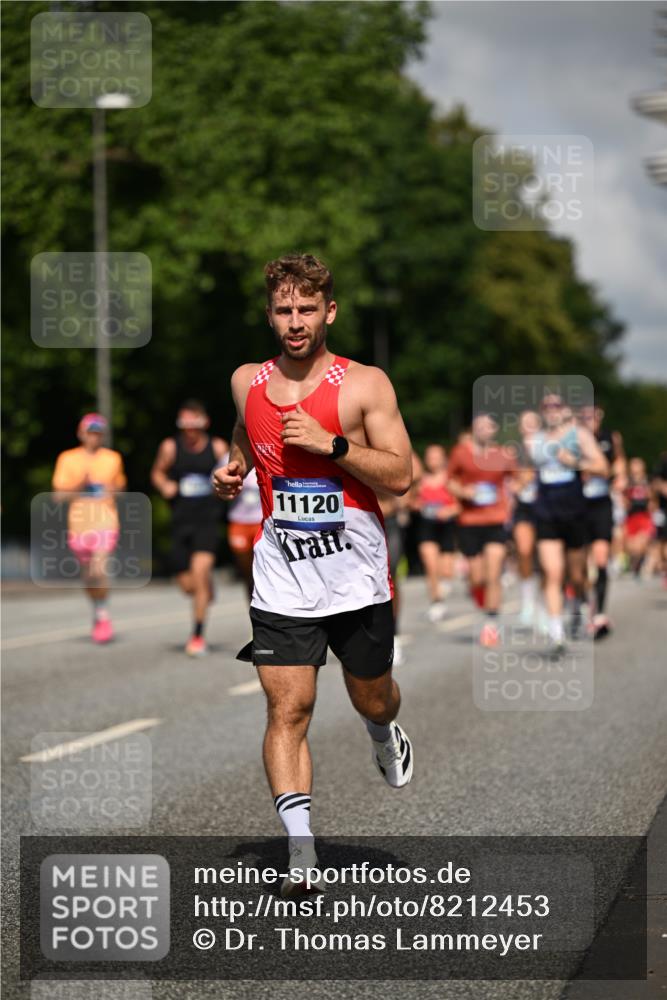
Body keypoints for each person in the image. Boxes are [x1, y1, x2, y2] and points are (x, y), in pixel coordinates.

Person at [213, 253, 413, 898]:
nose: (295, 322)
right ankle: (302, 850)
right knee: (289, 706)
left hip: (356, 573)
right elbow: (248, 438)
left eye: (306, 309)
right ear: (269, 315)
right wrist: (232, 467)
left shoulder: (365, 385)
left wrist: (333, 446)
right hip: (282, 572)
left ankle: (383, 731)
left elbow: (402, 476)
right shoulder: (247, 381)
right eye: (283, 310)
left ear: (330, 311)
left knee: (371, 693)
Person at [526, 395, 607, 655]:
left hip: (574, 509)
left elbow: (603, 467)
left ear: (565, 411)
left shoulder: (579, 435)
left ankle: (580, 602)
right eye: (546, 406)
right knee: (552, 572)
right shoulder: (533, 439)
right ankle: (556, 632)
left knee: (576, 574)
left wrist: (573, 462)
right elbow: (523, 472)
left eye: (556, 406)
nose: (551, 410)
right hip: (546, 511)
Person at [151, 401, 228, 657]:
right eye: (184, 426)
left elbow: (231, 476)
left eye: (194, 425)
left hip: (207, 521)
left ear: (204, 423)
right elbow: (158, 473)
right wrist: (164, 486)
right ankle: (205, 590)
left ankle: (197, 636)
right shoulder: (170, 447)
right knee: (188, 585)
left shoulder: (217, 448)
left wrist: (223, 487)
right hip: (180, 522)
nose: (189, 431)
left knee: (200, 570)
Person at [52, 413, 126, 644]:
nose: (94, 437)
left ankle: (103, 616)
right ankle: (98, 608)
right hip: (79, 525)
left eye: (98, 433)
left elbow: (121, 490)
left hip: (106, 521)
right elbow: (58, 496)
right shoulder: (67, 458)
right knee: (89, 577)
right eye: (90, 432)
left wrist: (110, 489)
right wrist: (80, 484)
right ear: (81, 433)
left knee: (99, 570)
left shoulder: (112, 458)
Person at [447, 414, 517, 647]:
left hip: (496, 518)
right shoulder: (461, 452)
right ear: (473, 428)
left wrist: (512, 495)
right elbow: (450, 481)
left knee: (494, 572)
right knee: (478, 577)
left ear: (495, 429)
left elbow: (518, 479)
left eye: (489, 426)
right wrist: (464, 492)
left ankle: (491, 625)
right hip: (469, 520)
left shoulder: (503, 454)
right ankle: (483, 601)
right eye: (480, 425)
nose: (485, 430)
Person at [578, 405, 626, 639]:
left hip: (601, 504)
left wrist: (620, 477)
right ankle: (581, 604)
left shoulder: (611, 437)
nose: (591, 420)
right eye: (586, 416)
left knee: (600, 559)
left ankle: (599, 615)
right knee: (578, 565)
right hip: (577, 506)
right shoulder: (573, 440)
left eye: (594, 415)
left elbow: (618, 463)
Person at [377, 450, 422, 665]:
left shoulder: (385, 437)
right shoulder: (349, 435)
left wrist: (407, 496)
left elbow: (417, 470)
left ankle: (392, 635)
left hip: (388, 520)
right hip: (357, 522)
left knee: (390, 577)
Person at [415, 444, 459, 622]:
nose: (432, 460)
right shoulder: (421, 481)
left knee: (446, 571)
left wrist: (448, 511)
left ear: (443, 458)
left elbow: (460, 505)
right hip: (427, 526)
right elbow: (411, 501)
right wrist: (418, 506)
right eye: (430, 456)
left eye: (436, 456)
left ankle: (442, 590)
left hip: (447, 527)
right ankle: (436, 602)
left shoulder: (450, 480)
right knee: (430, 563)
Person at [512, 411, 540, 628]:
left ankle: (551, 598)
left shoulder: (550, 447)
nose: (529, 427)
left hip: (548, 507)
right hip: (523, 506)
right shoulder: (513, 451)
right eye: (525, 423)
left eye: (533, 423)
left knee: (548, 558)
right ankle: (528, 600)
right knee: (523, 551)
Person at [226, 466, 263, 601]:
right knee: (247, 571)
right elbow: (215, 486)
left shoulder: (268, 453)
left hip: (262, 521)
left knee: (264, 566)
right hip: (239, 521)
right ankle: (252, 603)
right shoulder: (227, 460)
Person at [624, 458, 654, 580]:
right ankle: (635, 563)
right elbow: (624, 499)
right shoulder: (628, 482)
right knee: (632, 546)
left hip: (644, 516)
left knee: (641, 543)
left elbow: (652, 500)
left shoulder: (647, 481)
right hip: (631, 517)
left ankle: (643, 562)